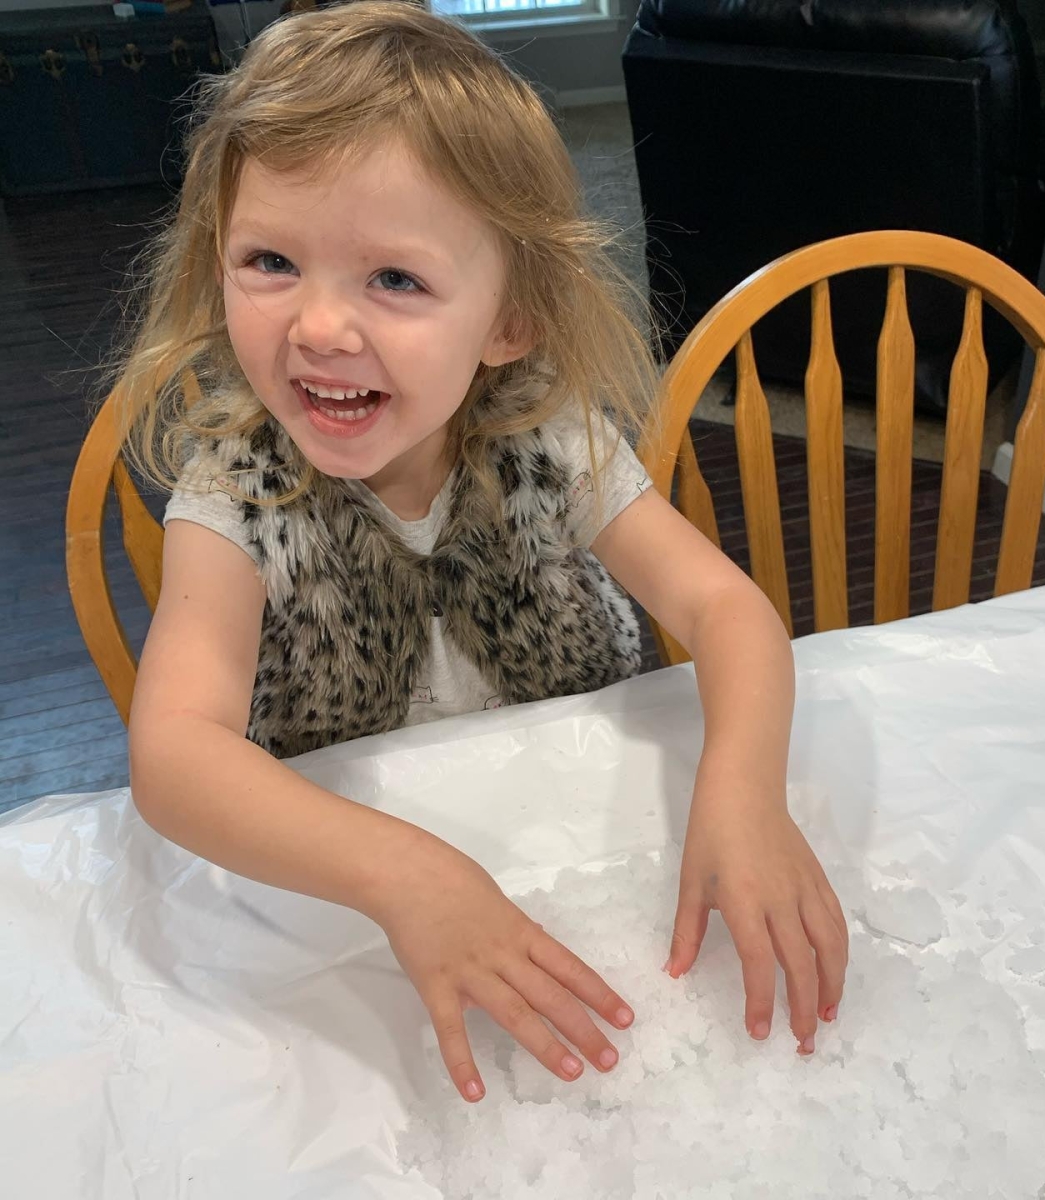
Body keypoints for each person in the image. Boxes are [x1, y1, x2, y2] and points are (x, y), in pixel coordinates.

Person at [115, 0, 848, 1105]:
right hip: (356, 925)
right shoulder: (235, 494)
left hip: (591, 868)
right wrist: (405, 872)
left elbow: (726, 613)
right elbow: (174, 757)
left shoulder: (554, 443)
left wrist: (746, 789)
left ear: (508, 320)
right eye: (271, 260)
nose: (318, 326)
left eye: (393, 280)